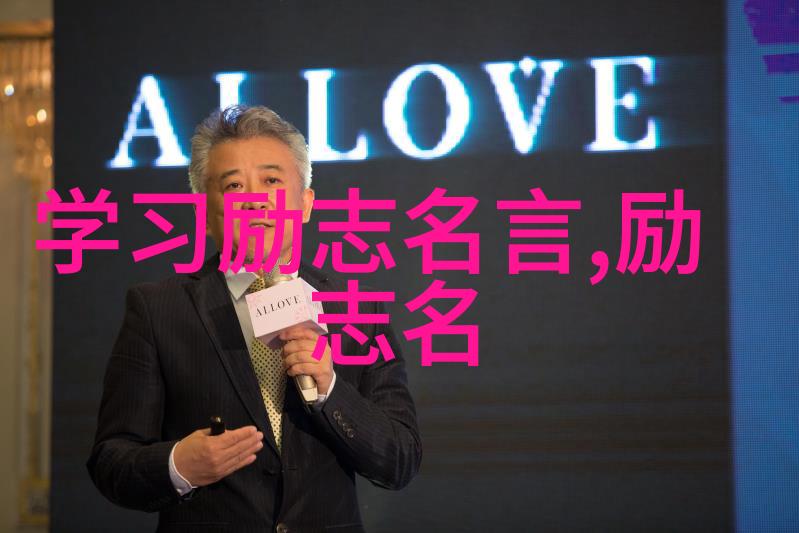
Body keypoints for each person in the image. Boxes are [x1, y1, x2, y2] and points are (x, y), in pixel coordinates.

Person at [87, 105, 422, 533]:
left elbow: (400, 459)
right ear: (205, 212)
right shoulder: (157, 310)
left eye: (271, 181)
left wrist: (330, 390)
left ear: (305, 204)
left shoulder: (357, 308)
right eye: (233, 185)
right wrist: (178, 465)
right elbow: (111, 460)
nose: (255, 199)